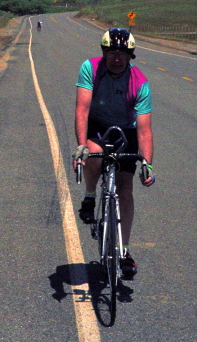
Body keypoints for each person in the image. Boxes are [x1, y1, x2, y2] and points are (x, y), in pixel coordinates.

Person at [73, 27, 155, 279]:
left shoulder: (140, 82)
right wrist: (81, 145)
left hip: (126, 131)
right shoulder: (90, 68)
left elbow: (144, 131)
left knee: (125, 189)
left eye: (123, 53)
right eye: (111, 53)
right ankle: (89, 196)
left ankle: (124, 252)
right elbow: (82, 110)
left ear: (131, 56)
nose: (117, 58)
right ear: (104, 53)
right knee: (93, 153)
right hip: (97, 125)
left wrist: (147, 164)